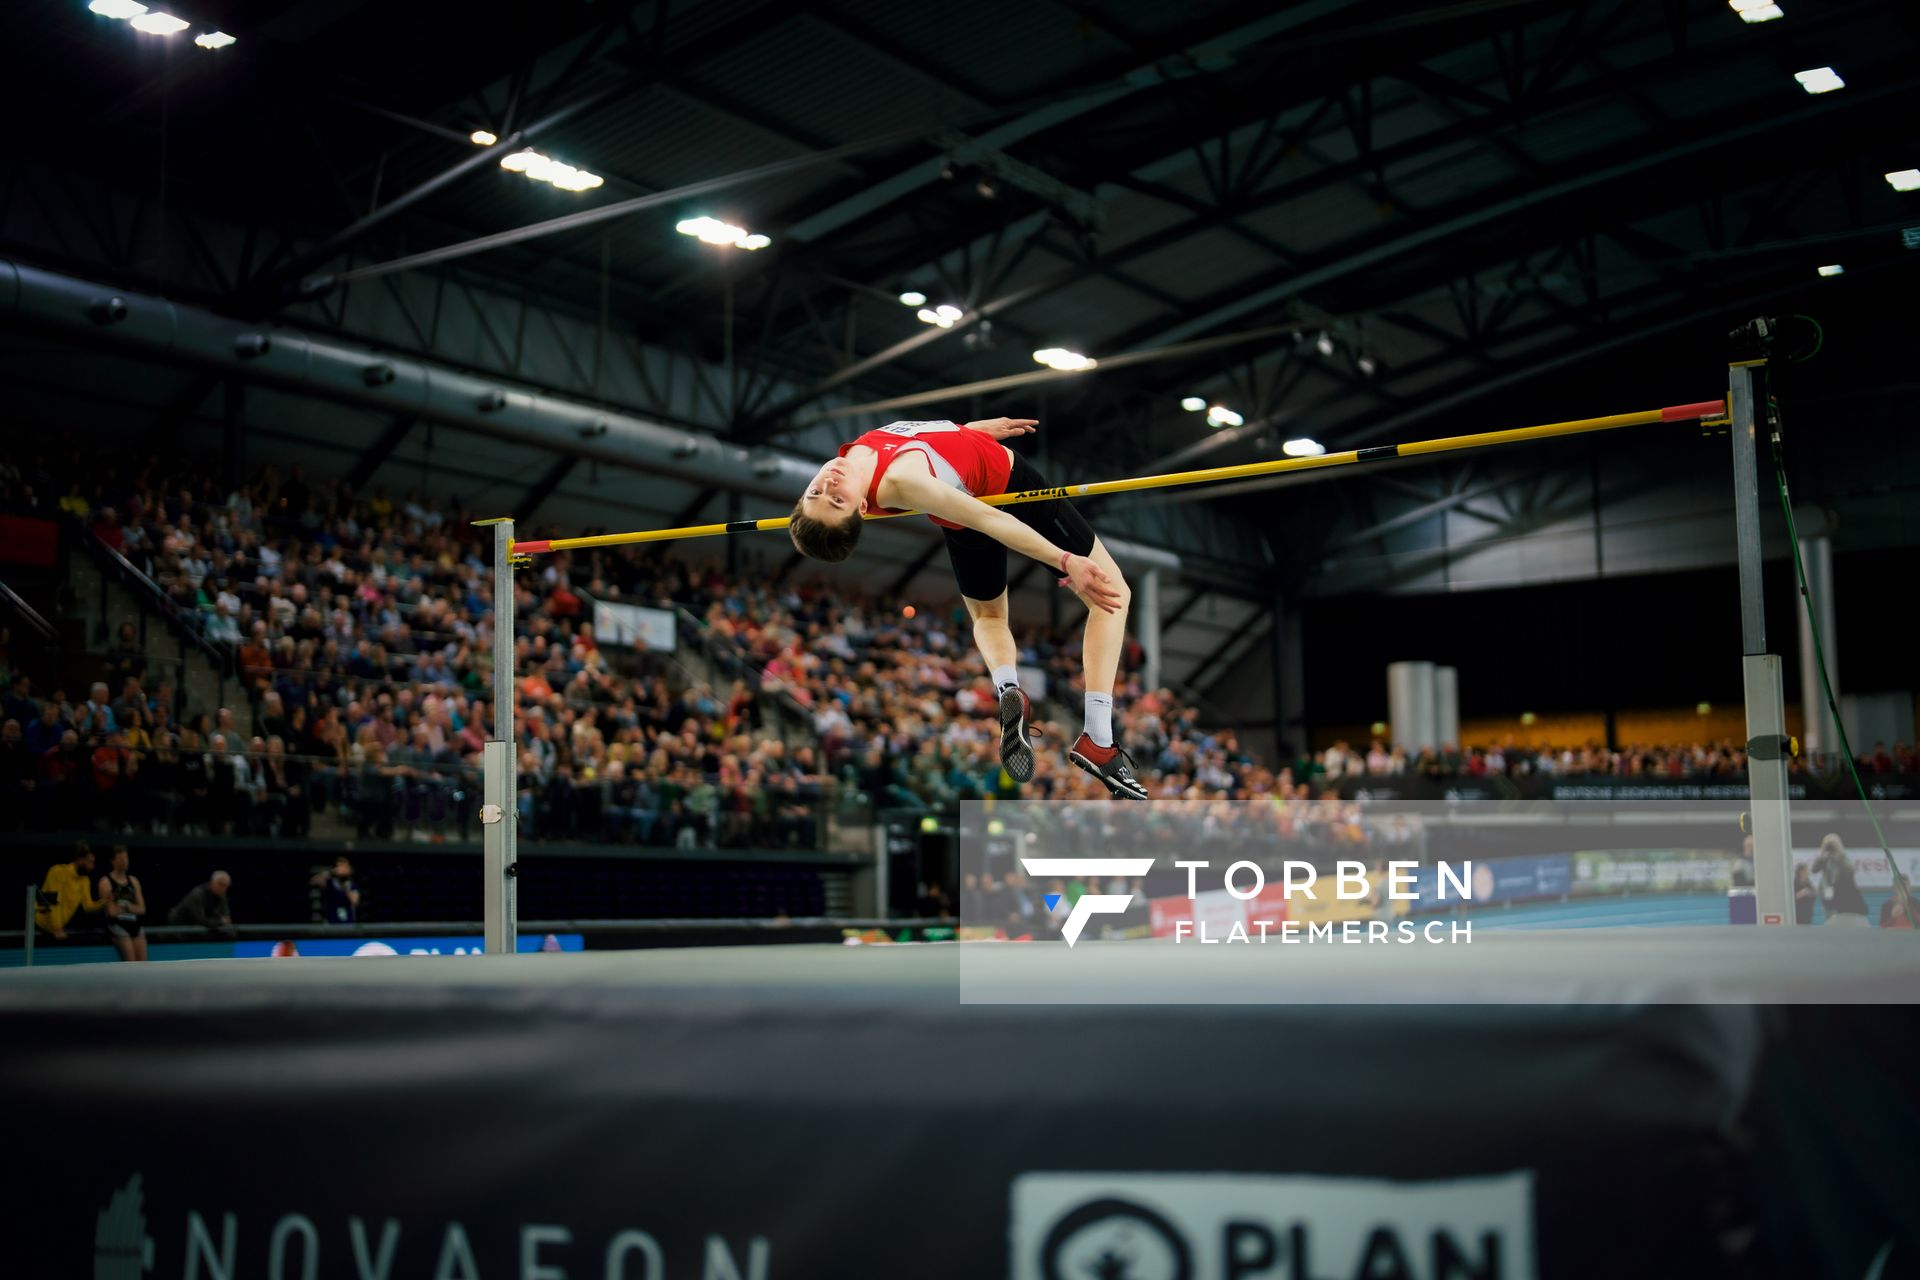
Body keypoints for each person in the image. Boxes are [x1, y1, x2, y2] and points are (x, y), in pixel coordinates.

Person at [787, 416, 1146, 800]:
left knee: (989, 615)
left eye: (816, 494)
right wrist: (1064, 560)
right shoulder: (900, 483)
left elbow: (921, 439)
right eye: (836, 500)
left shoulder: (853, 458)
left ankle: (1008, 684)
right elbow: (991, 518)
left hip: (963, 503)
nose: (828, 485)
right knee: (1113, 594)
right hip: (1005, 491)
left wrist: (968, 433)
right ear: (861, 507)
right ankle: (1098, 737)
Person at [35, 841, 106, 939]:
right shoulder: (57, 872)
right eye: (90, 862)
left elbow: (87, 906)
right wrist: (57, 928)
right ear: (80, 860)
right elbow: (53, 902)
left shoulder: (85, 880)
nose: (92, 867)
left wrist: (104, 902)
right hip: (39, 926)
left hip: (56, 930)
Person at [98, 844, 148, 962]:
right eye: (120, 859)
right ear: (113, 861)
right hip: (118, 925)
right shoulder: (105, 882)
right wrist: (130, 907)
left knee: (143, 963)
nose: (124, 862)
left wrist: (124, 907)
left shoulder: (134, 881)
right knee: (131, 962)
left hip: (134, 924)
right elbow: (111, 912)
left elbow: (142, 909)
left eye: (126, 858)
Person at [1810, 834, 1869, 925]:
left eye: (1832, 845)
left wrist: (1838, 855)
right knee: (1828, 911)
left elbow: (1849, 871)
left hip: (1840, 891)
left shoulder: (1842, 858)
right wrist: (1822, 856)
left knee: (1840, 913)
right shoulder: (1824, 858)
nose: (1830, 848)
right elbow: (1814, 870)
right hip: (1827, 888)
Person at [168, 870, 235, 936]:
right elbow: (199, 920)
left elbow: (226, 918)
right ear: (212, 882)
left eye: (226, 885)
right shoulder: (197, 894)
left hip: (199, 929)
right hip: (180, 928)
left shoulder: (222, 895)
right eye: (221, 884)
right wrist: (220, 922)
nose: (223, 888)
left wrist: (221, 922)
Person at [312, 855, 360, 925]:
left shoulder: (352, 886)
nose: (342, 870)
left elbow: (355, 901)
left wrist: (345, 887)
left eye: (345, 867)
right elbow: (314, 881)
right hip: (331, 924)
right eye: (340, 867)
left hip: (348, 925)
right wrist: (331, 872)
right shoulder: (329, 883)